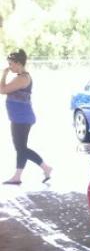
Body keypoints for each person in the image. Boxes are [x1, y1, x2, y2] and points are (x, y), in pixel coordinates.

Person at [1, 49, 52, 184]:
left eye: (11, 64)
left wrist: (3, 75)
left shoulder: (22, 78)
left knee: (21, 148)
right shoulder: (20, 76)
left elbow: (2, 90)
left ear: (18, 63)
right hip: (18, 118)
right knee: (20, 148)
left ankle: (46, 168)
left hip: (22, 118)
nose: (9, 66)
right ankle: (18, 176)